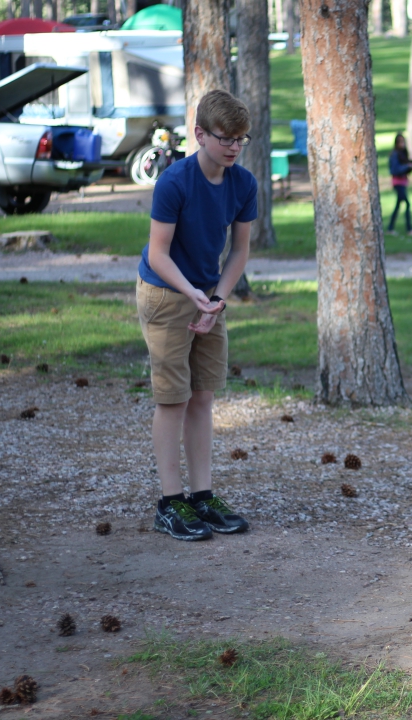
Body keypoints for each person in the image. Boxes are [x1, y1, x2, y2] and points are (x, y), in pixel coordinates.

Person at [136, 89, 257, 542]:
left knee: (203, 397)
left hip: (209, 295)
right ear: (200, 134)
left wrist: (217, 300)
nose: (233, 147)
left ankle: (201, 496)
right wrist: (194, 296)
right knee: (174, 398)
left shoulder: (243, 183)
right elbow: (158, 253)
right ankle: (170, 503)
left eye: (241, 139)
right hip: (167, 292)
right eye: (226, 138)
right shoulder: (174, 182)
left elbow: (240, 250)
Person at [388, 133, 412, 236]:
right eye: (400, 142)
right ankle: (409, 229)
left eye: (403, 141)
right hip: (398, 183)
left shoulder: (403, 154)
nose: (402, 144)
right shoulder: (394, 154)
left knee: (398, 205)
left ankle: (390, 228)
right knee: (407, 204)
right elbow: (394, 170)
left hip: (403, 182)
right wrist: (407, 167)